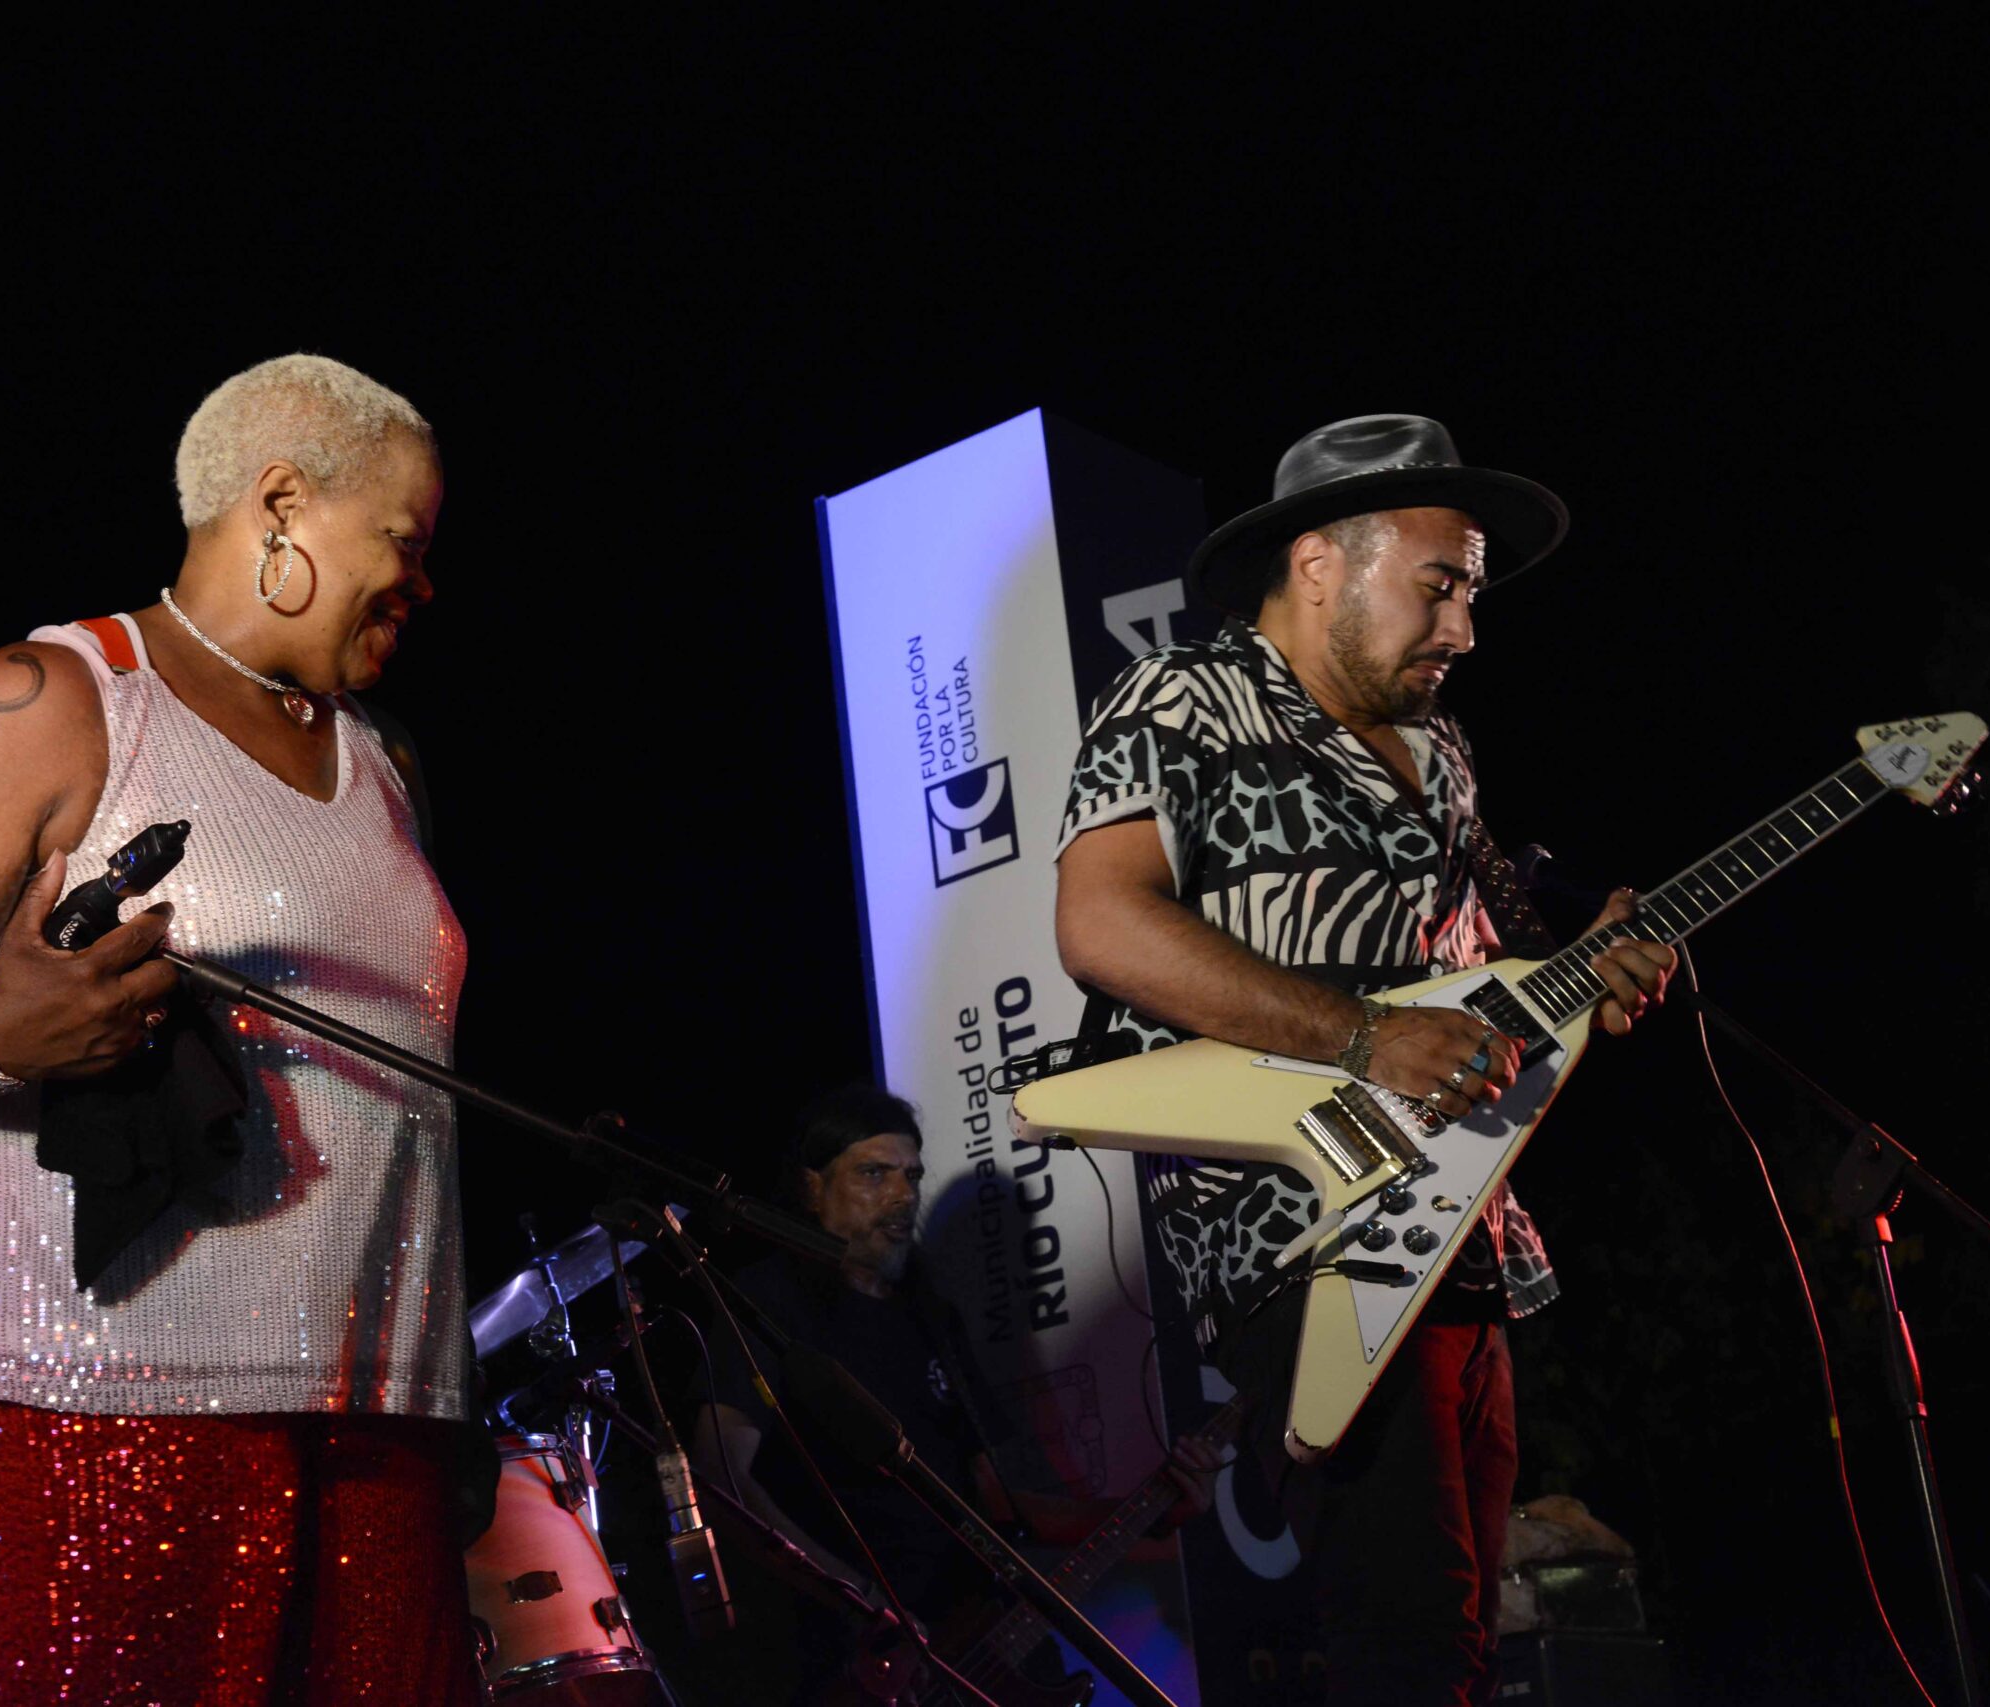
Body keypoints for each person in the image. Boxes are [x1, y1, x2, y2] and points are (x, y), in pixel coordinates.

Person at [0, 354, 478, 1705]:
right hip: (104, 1386)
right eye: (406, 540)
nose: (423, 583)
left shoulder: (383, 761)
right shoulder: (55, 696)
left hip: (382, 1401)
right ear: (282, 505)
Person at [1050, 415, 1677, 1707]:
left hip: (1468, 1221)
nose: (1464, 627)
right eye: (1440, 585)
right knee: (1406, 1629)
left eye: (1472, 593)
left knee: (1462, 1632)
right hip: (1301, 1226)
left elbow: (1477, 976)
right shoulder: (1183, 697)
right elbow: (1100, 923)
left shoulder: (1441, 748)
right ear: (1320, 561)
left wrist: (1582, 973)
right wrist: (1364, 1033)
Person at [689, 1084, 1218, 1704]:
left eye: (912, 1176)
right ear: (812, 1188)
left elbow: (997, 1506)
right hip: (863, 1667)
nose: (902, 1195)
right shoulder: (768, 1303)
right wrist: (860, 1600)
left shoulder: (930, 1313)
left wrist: (1150, 1510)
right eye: (873, 1174)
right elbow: (720, 1476)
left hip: (985, 1646)